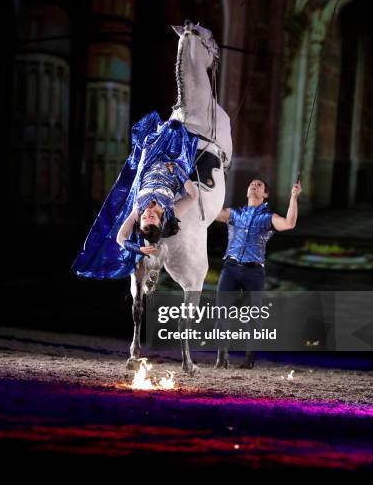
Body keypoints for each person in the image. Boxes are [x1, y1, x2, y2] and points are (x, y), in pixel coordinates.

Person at [72, 112, 198, 279]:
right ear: (160, 223)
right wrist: (177, 172)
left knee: (155, 133)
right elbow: (193, 196)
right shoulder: (171, 211)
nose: (148, 215)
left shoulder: (137, 211)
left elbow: (120, 238)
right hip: (174, 161)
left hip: (150, 161)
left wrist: (137, 249)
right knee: (175, 129)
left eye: (145, 220)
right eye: (151, 219)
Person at [214, 178, 302, 368]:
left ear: (265, 195)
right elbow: (211, 213)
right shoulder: (234, 214)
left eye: (259, 185)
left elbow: (289, 223)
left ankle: (249, 359)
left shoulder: (268, 217)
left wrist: (293, 197)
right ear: (247, 191)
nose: (254, 185)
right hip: (230, 267)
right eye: (251, 184)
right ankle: (222, 358)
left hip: (253, 271)